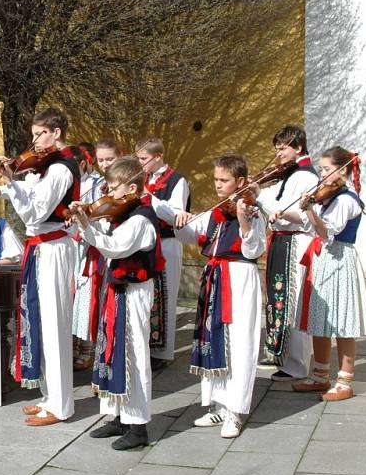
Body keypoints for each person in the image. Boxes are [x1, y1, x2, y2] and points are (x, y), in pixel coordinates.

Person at [0, 107, 79, 426]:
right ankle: (49, 396)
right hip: (39, 248)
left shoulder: (62, 168)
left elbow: (34, 213)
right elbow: (27, 191)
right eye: (32, 135)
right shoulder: (44, 166)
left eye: (39, 134)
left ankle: (62, 406)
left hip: (54, 247)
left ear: (56, 132)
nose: (33, 142)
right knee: (40, 320)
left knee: (55, 325)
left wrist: (9, 180)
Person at [172, 154, 266, 438]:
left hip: (239, 278)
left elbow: (254, 250)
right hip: (215, 277)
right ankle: (219, 404)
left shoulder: (253, 211)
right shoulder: (214, 212)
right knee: (214, 340)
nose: (217, 185)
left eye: (223, 180)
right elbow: (189, 235)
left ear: (240, 181)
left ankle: (236, 411)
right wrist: (180, 220)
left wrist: (244, 221)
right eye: (215, 179)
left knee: (239, 343)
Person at [72, 157, 160, 450]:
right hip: (118, 289)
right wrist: (87, 222)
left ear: (132, 189)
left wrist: (87, 224)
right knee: (111, 351)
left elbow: (114, 247)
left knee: (133, 354)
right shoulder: (122, 215)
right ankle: (118, 414)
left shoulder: (140, 219)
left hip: (134, 292)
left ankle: (138, 426)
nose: (107, 195)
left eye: (113, 188)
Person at [281, 147, 366, 401]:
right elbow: (309, 223)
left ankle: (345, 381)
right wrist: (284, 212)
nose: (322, 174)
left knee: (342, 322)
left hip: (340, 259)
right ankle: (320, 375)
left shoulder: (346, 199)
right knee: (320, 319)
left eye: (327, 169)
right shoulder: (328, 197)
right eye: (321, 169)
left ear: (342, 170)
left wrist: (309, 209)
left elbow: (325, 231)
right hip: (323, 258)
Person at [251, 126, 319, 381]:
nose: (277, 153)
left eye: (282, 147)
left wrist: (260, 198)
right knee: (279, 301)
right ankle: (282, 354)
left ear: (298, 147)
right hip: (282, 241)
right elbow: (272, 197)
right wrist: (256, 193)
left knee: (293, 302)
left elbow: (294, 215)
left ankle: (297, 364)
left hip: (295, 242)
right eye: (277, 147)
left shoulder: (305, 177)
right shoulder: (289, 175)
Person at [136, 137, 190, 371]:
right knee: (150, 296)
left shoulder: (178, 180)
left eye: (144, 159)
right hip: (147, 242)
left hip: (168, 241)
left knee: (166, 295)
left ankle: (164, 351)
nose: (140, 164)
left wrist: (149, 197)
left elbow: (176, 214)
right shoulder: (144, 178)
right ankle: (148, 345)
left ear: (158, 157)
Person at [68, 143, 106, 370]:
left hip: (88, 245)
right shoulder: (65, 182)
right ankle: (71, 343)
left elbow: (102, 214)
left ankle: (87, 347)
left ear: (82, 164)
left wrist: (84, 218)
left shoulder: (97, 184)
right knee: (70, 296)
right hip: (68, 245)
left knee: (87, 296)